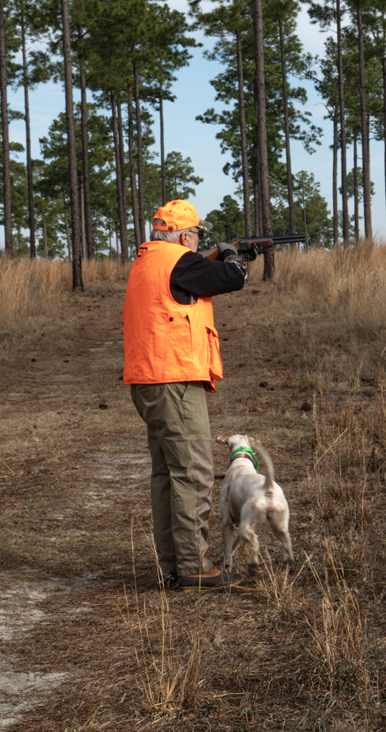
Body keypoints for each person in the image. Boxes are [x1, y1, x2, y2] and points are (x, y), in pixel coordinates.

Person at [123, 199, 251, 590]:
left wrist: (237, 254)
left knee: (167, 475)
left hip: (150, 380)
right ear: (182, 235)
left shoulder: (148, 261)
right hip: (173, 381)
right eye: (195, 234)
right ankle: (194, 565)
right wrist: (232, 253)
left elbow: (211, 276)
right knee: (193, 475)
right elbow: (232, 278)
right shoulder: (178, 260)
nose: (197, 241)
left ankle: (173, 563)